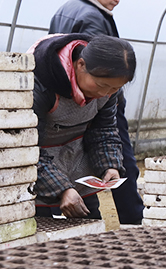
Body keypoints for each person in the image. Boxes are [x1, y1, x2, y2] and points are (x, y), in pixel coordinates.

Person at [48, 0, 143, 225]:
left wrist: (109, 163)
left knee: (91, 154)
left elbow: (103, 129)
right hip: (76, 105)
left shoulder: (65, 9)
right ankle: (131, 221)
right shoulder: (93, 19)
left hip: (72, 104)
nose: (117, 0)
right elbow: (103, 66)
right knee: (121, 160)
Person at [32, 34, 137, 219]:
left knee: (88, 230)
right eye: (100, 85)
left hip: (77, 171)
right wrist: (61, 189)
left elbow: (103, 131)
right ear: (80, 65)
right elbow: (28, 151)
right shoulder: (38, 85)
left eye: (114, 89)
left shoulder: (108, 90)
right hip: (36, 174)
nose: (104, 93)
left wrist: (109, 166)